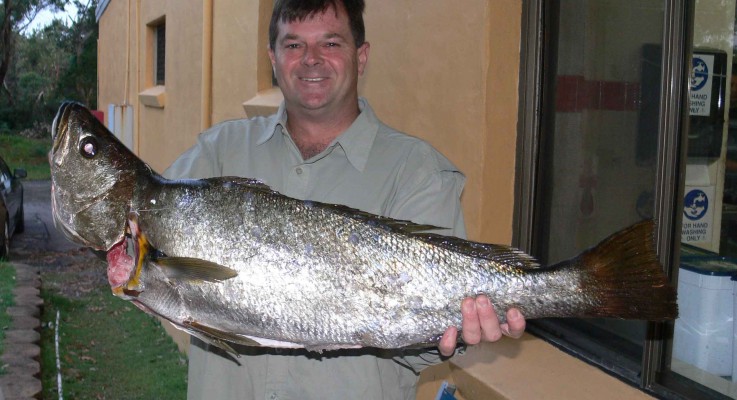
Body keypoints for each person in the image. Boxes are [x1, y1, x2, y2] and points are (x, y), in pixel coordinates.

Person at [164, 1, 526, 398]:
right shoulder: (216, 153)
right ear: (273, 59)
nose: (311, 59)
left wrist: (451, 332)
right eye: (294, 45)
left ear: (361, 56)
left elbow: (420, 350)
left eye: (331, 43)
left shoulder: (418, 171)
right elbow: (153, 258)